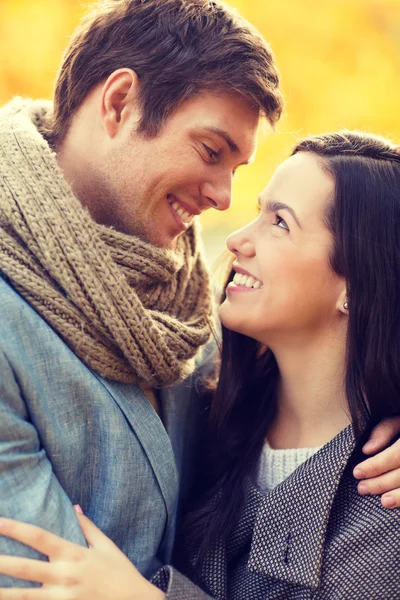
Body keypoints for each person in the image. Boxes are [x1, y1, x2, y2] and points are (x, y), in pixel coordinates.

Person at [1, 130, 400, 599]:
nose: (235, 240)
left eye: (280, 223)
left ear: (356, 283)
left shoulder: (384, 515)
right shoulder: (202, 410)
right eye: (259, 213)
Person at [0, 0, 284, 587]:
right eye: (211, 152)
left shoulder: (189, 300)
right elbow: (37, 583)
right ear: (119, 103)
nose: (226, 197)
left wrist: (371, 428)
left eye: (237, 167)